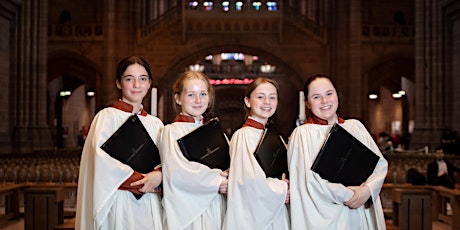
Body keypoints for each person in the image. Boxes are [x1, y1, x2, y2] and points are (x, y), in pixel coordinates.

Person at [287, 74, 388, 229]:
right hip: (326, 216)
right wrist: (350, 195)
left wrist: (367, 190)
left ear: (337, 95)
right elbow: (309, 181)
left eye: (329, 94)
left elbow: (379, 164)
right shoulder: (302, 135)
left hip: (361, 210)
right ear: (307, 103)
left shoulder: (355, 127)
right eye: (316, 97)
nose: (325, 101)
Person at [75, 56, 164, 230]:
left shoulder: (156, 124)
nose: (137, 85)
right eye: (129, 79)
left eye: (143, 79)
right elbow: (101, 161)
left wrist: (160, 175)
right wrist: (142, 181)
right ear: (118, 83)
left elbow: (168, 159)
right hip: (118, 200)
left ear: (149, 84)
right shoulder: (106, 117)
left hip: (151, 202)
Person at [159, 70, 228, 230]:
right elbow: (178, 172)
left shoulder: (215, 131)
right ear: (178, 98)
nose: (198, 100)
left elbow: (229, 160)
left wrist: (231, 172)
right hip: (188, 210)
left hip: (216, 204)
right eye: (191, 95)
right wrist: (218, 181)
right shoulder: (171, 131)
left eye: (203, 94)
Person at [223, 78, 290, 230]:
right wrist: (283, 188)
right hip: (254, 216)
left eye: (272, 97)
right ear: (247, 101)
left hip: (276, 209)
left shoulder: (275, 136)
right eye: (260, 97)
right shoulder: (243, 135)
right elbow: (248, 182)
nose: (267, 102)